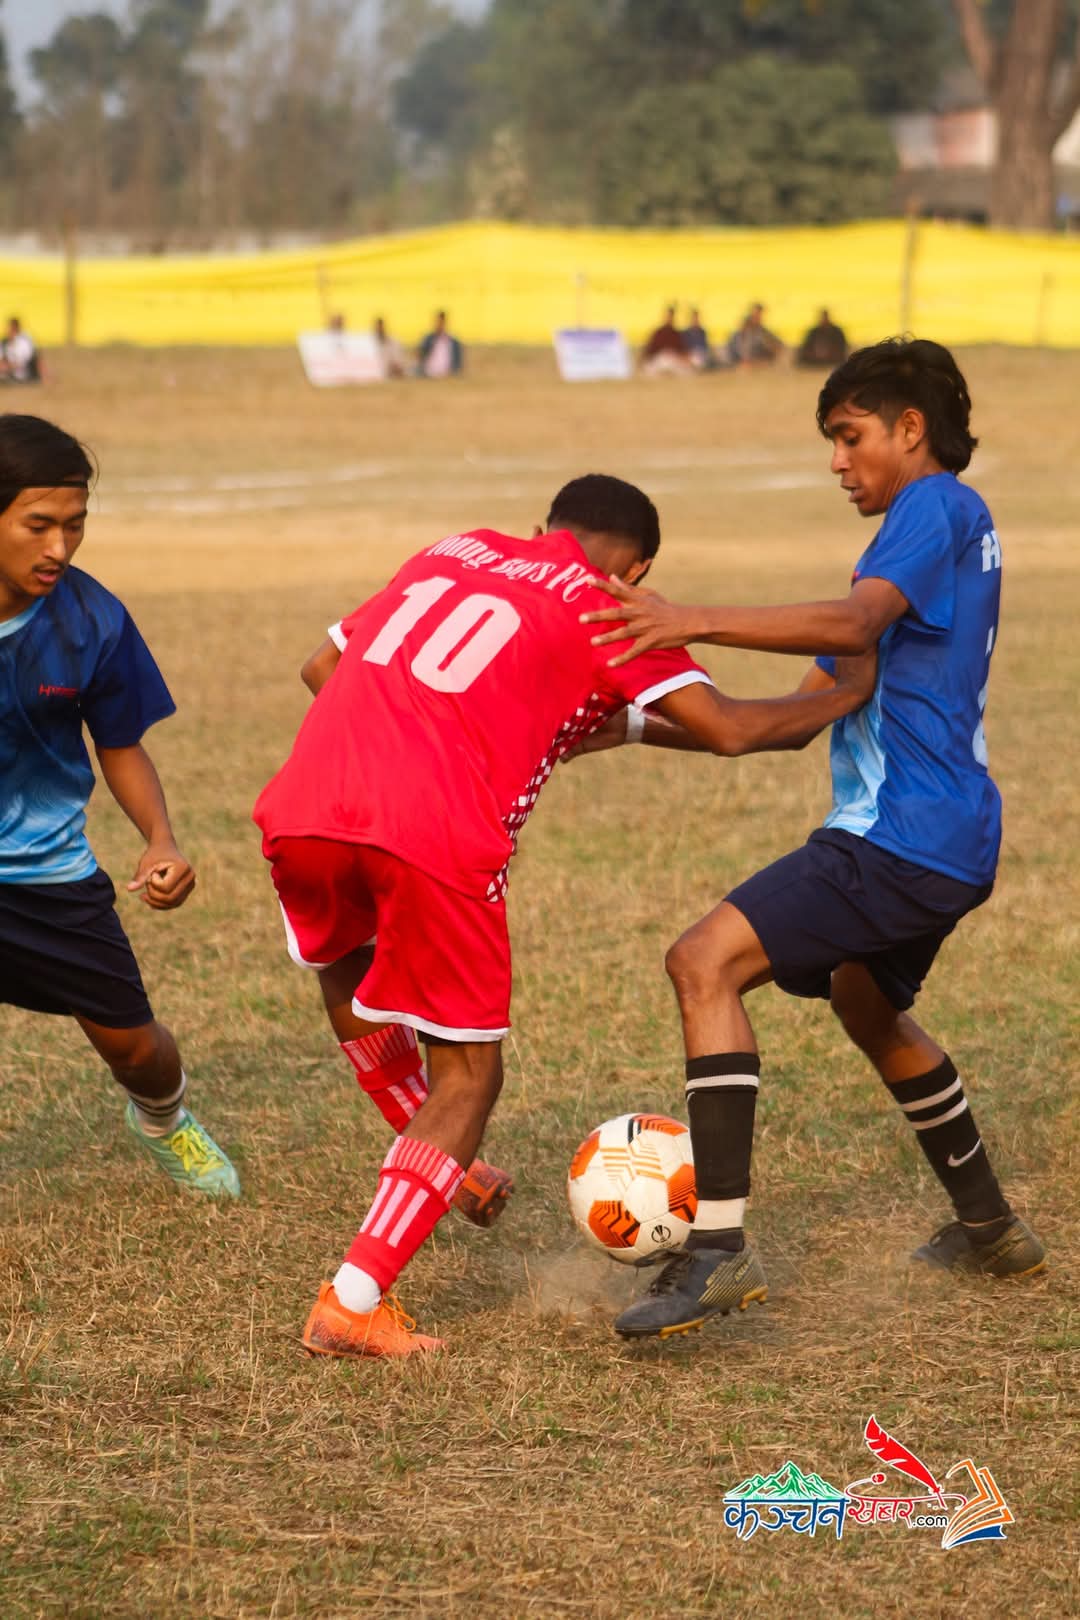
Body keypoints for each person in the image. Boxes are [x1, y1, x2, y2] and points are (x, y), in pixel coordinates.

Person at [253, 474, 874, 1359]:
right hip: (432, 836)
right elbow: (732, 728)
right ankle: (352, 1299)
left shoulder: (457, 547)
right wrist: (841, 698)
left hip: (306, 801)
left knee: (346, 961)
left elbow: (325, 669)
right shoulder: (604, 607)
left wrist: (455, 735)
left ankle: (441, 1161)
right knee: (469, 1078)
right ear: (641, 569)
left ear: (543, 526)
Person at [581, 338, 1045, 1340]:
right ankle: (990, 1228)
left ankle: (716, 1247)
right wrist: (615, 728)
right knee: (865, 1002)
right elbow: (772, 722)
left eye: (849, 437)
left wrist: (687, 617)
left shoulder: (936, 509)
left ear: (910, 431)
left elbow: (849, 618)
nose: (838, 461)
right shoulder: (907, 551)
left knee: (702, 962)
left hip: (900, 836)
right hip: (946, 837)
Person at [0, 413, 239, 1198]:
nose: (59, 549)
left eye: (75, 526)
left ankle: (165, 1121)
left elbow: (121, 744)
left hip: (45, 875)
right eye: (38, 525)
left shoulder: (91, 619)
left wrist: (160, 840)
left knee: (138, 1050)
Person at [722, 302, 784, 368]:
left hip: (758, 363)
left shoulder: (763, 332)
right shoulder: (739, 333)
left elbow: (778, 347)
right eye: (755, 315)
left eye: (759, 315)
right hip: (740, 363)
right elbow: (734, 351)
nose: (757, 318)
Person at [641, 305, 693, 375]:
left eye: (671, 317)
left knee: (687, 372)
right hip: (660, 360)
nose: (669, 319)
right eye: (668, 316)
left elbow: (681, 350)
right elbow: (650, 350)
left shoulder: (676, 333)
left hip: (674, 360)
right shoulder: (658, 332)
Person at [417, 311, 463, 378]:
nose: (439, 325)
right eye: (438, 322)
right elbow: (420, 356)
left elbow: (458, 363)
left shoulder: (454, 342)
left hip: (447, 375)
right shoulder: (428, 339)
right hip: (428, 374)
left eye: (441, 322)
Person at [0, 318, 42, 384]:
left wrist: (8, 367)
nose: (8, 331)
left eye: (11, 329)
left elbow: (24, 362)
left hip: (22, 374)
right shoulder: (4, 342)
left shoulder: (24, 342)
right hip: (7, 373)